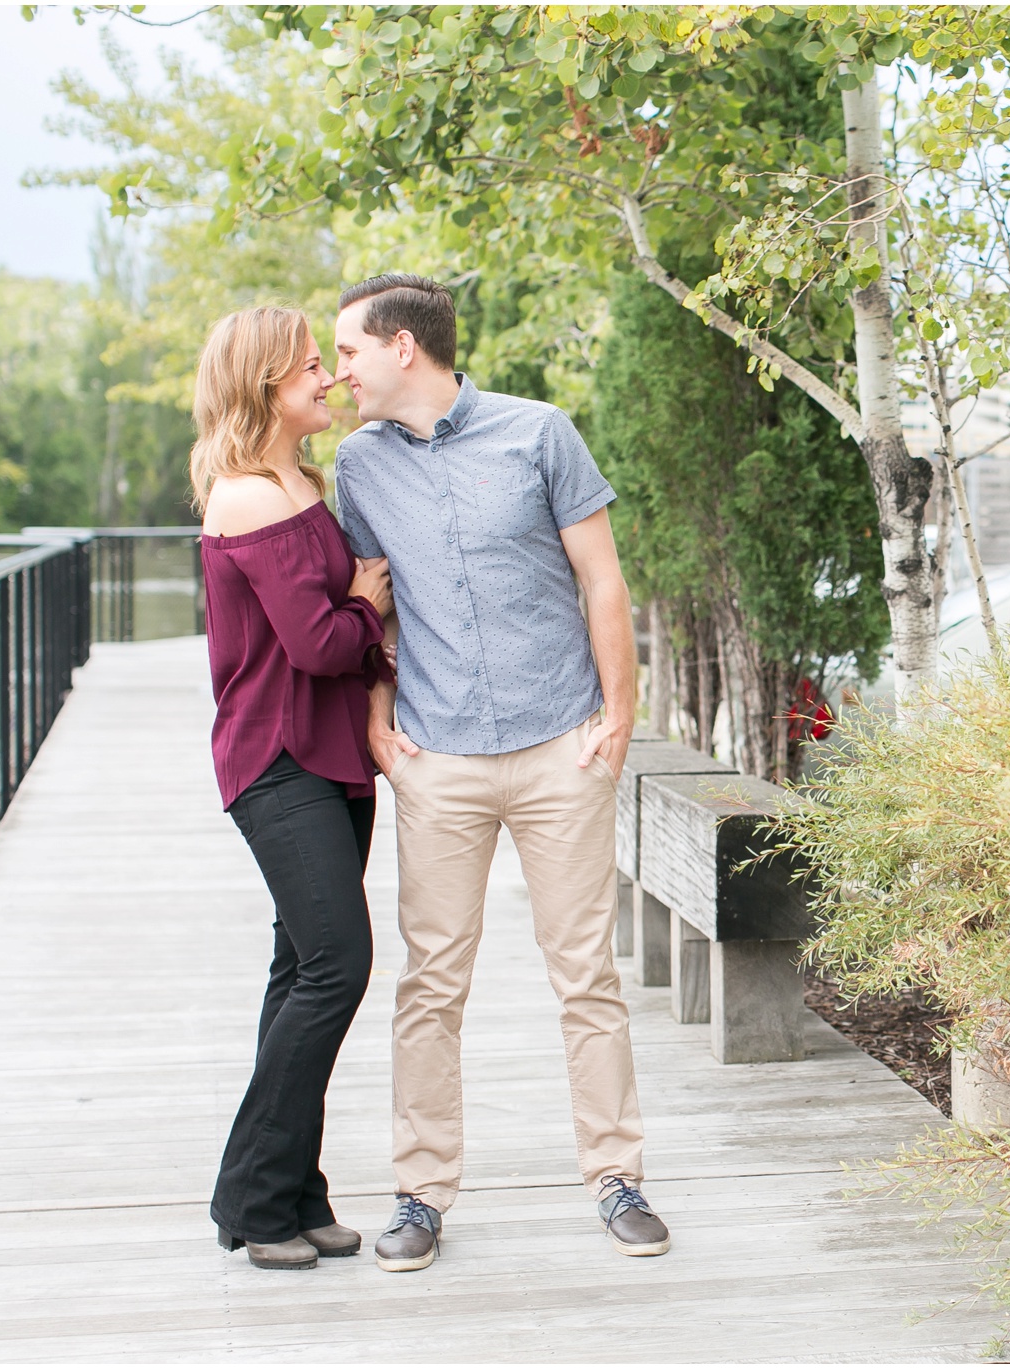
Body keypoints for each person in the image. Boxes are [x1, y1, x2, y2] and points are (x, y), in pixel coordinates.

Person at [331, 274, 669, 1272]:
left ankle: (615, 1175)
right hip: (438, 760)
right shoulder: (358, 465)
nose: (340, 368)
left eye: (348, 349)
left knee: (586, 979)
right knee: (429, 985)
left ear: (402, 348)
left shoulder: (539, 433)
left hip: (559, 744)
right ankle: (420, 1192)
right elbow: (372, 603)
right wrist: (378, 721)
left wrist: (619, 716)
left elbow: (601, 576)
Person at [194, 306, 395, 1270]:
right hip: (278, 760)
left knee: (298, 973)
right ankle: (251, 1192)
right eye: (313, 368)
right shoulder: (245, 498)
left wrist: (354, 607)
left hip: (329, 760)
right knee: (335, 967)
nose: (330, 379)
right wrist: (365, 604)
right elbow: (319, 644)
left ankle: (295, 1189)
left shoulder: (297, 480)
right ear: (267, 384)